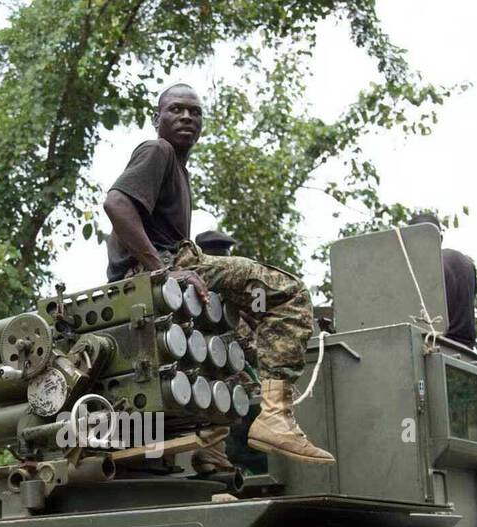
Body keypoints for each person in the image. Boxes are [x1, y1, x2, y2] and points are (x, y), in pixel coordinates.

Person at [103, 83, 333, 466]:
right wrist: (163, 273)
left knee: (237, 340)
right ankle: (275, 418)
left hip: (170, 266)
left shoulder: (178, 167)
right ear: (156, 117)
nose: (187, 117)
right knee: (287, 293)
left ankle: (211, 446)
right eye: (176, 109)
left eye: (195, 112)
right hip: (163, 267)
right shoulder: (156, 150)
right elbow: (116, 204)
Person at [408, 212, 477, 350]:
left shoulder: (427, 267)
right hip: (466, 349)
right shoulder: (467, 264)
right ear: (439, 238)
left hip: (439, 345)